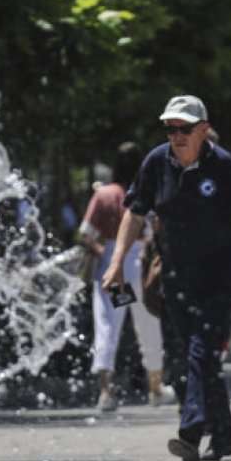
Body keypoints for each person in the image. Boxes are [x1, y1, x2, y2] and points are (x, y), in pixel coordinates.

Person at [103, 95, 231, 461]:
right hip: (176, 277)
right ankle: (223, 437)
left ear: (203, 130)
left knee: (200, 350)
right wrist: (116, 263)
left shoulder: (223, 166)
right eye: (171, 128)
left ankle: (190, 431)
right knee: (196, 357)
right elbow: (135, 212)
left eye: (184, 129)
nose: (176, 135)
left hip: (220, 277)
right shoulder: (156, 162)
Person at [79, 142, 168, 412]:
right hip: (139, 264)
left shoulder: (104, 194)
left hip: (114, 265)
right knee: (148, 323)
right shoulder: (145, 192)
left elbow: (85, 234)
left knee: (109, 322)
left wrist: (101, 252)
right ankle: (155, 387)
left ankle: (106, 390)